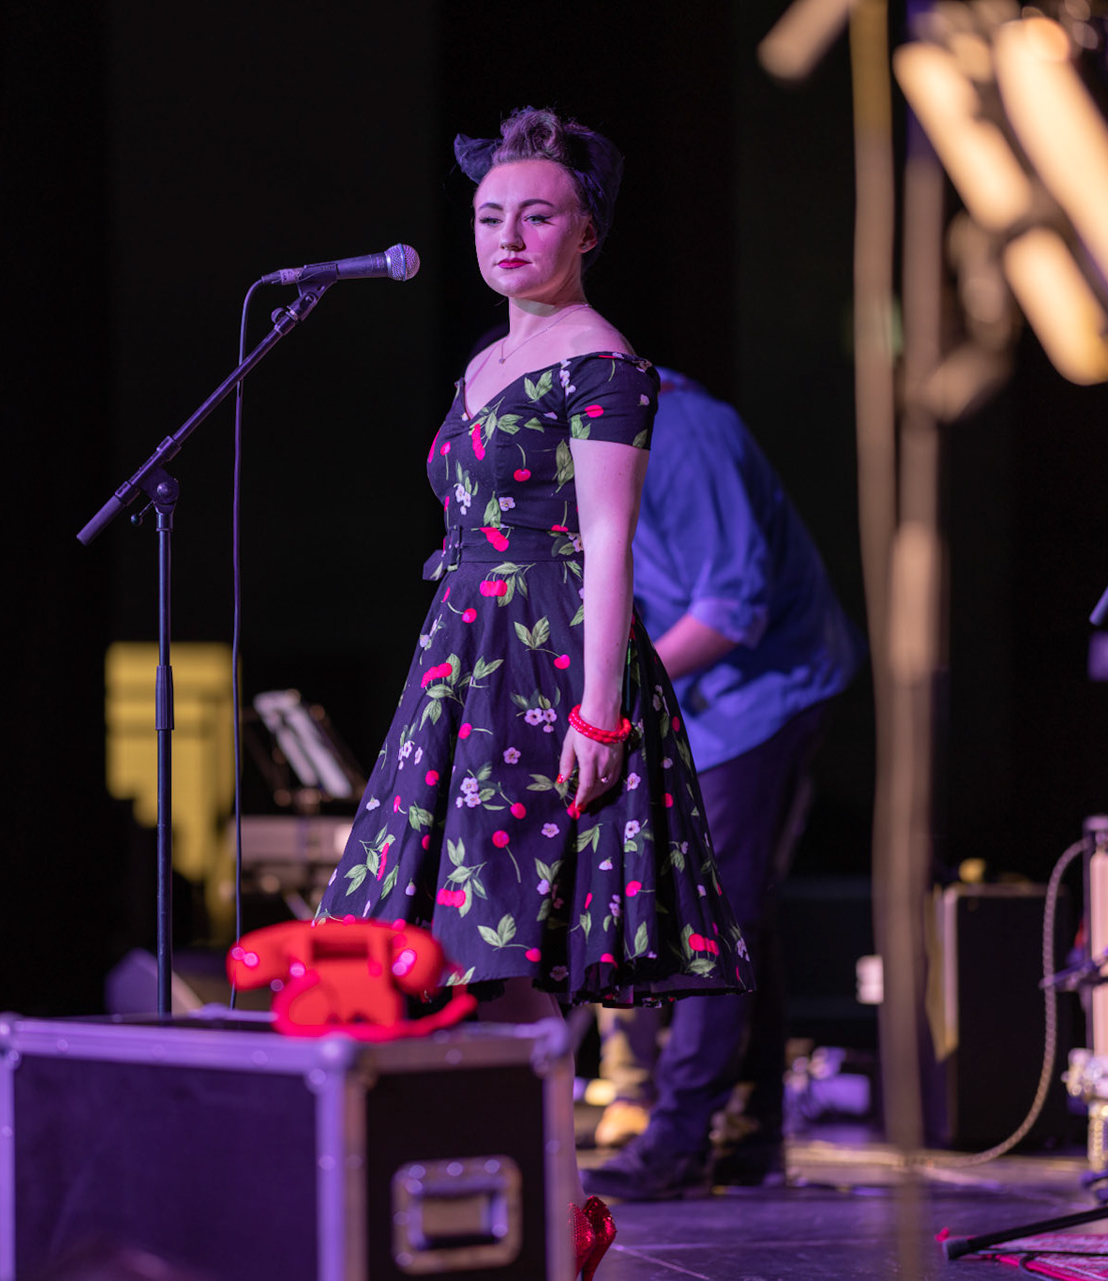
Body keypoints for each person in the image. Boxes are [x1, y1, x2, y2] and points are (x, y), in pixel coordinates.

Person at [312, 107, 751, 1281]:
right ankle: (509, 1206)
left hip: (548, 662)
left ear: (586, 230)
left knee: (508, 939)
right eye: (490, 215)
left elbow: (607, 543)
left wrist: (599, 712)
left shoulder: (601, 360)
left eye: (537, 213)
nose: (509, 233)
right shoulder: (484, 361)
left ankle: (536, 1215)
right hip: (464, 653)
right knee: (435, 945)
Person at [580, 375, 860, 1197]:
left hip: (763, 694)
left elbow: (732, 608)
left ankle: (675, 1143)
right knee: (740, 911)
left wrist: (615, 690)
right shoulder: (575, 442)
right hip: (691, 696)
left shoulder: (684, 431)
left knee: (718, 909)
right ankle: (751, 1130)